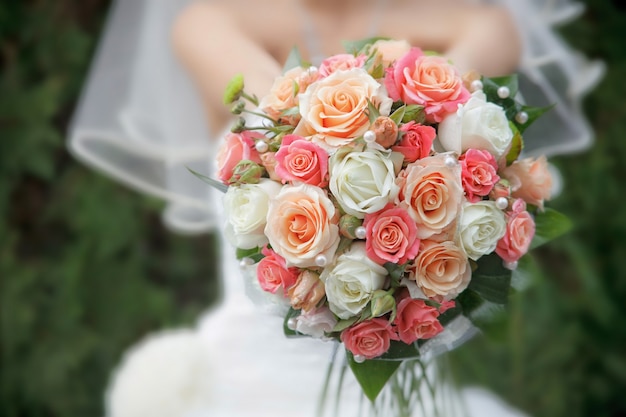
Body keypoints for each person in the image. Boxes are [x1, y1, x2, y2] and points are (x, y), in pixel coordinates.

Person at [68, 1, 603, 416]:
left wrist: (432, 112)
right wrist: (409, 99)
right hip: (252, 381)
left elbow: (487, 48)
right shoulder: (208, 22)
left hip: (406, 384)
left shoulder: (465, 20)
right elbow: (282, 111)